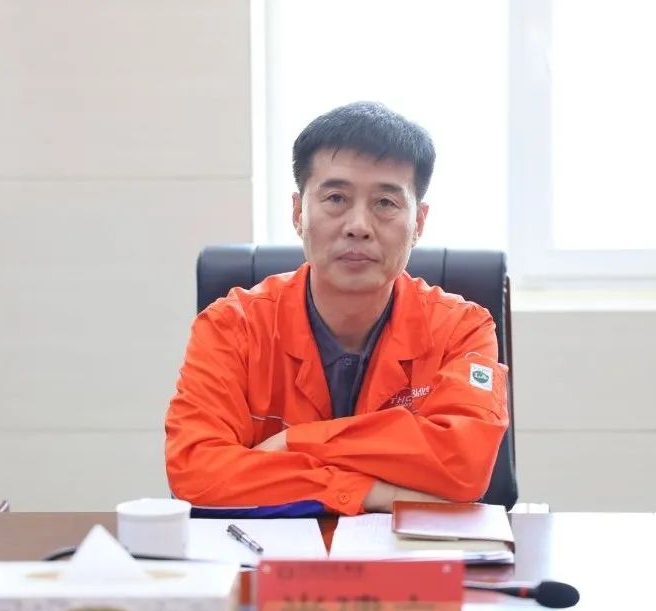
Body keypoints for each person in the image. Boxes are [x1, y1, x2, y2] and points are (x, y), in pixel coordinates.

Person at [165, 101, 509, 516]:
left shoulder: (462, 329)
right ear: (298, 213)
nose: (358, 226)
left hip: (411, 554)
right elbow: (196, 470)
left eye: (385, 203)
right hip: (266, 552)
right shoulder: (231, 326)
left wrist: (297, 442)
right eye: (335, 198)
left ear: (418, 222)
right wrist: (366, 492)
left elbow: (463, 462)